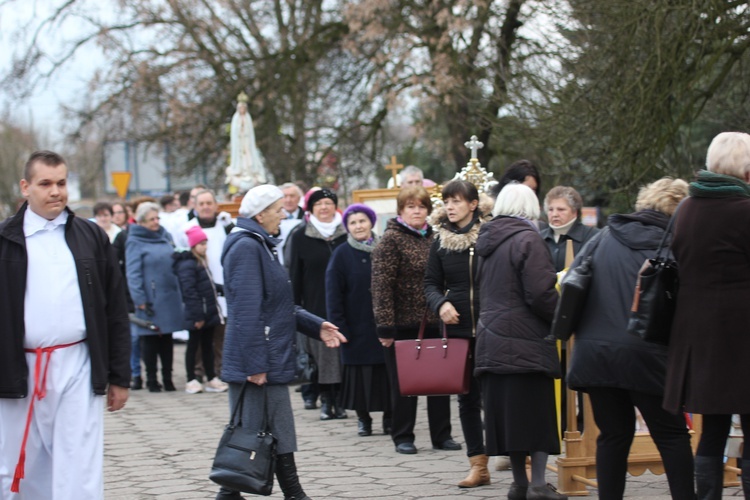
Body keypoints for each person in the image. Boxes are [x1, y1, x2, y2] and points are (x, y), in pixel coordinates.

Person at [0, 150, 130, 498]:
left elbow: (115, 309)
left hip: (78, 365)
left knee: (79, 461)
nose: (56, 191)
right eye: (45, 184)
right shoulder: (5, 240)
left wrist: (119, 375)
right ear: (26, 187)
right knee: (19, 464)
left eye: (61, 183)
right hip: (18, 369)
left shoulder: (90, 236)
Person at [218, 184, 347, 500]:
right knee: (253, 431)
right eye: (278, 210)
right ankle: (281, 493)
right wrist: (254, 364)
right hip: (258, 358)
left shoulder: (260, 243)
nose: (283, 215)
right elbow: (247, 311)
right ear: (260, 215)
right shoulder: (247, 247)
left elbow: (277, 304)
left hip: (267, 354)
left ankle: (283, 492)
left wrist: (317, 326)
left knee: (272, 428)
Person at [567, 178, 693, 499]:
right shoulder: (674, 244)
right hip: (645, 355)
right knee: (672, 436)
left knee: (612, 435)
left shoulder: (605, 235)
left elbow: (574, 282)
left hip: (595, 354)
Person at [663, 131, 750, 500]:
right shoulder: (745, 209)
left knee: (711, 429)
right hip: (743, 334)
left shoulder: (687, 208)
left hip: (698, 333)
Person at [474, 183, 565, 500]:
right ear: (530, 209)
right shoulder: (529, 238)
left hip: (492, 342)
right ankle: (539, 485)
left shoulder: (486, 241)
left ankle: (519, 484)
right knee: (537, 416)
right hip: (526, 341)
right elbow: (541, 293)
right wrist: (563, 318)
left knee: (510, 420)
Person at [372, 186, 460, 455]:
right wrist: (385, 326)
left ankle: (442, 435)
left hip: (435, 320)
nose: (417, 211)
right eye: (411, 206)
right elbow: (381, 287)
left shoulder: (436, 237)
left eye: (421, 206)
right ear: (401, 210)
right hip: (402, 325)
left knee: (439, 381)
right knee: (404, 384)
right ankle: (402, 436)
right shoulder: (390, 240)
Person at [424, 180, 494, 487]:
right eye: (446, 201)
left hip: (493, 329)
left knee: (498, 397)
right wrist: (441, 304)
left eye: (456, 201)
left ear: (473, 204)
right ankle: (478, 465)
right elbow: (429, 284)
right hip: (458, 331)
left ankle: (518, 458)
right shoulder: (440, 241)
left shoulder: (490, 235)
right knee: (466, 398)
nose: (450, 207)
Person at [325, 204, 391, 437]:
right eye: (353, 223)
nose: (358, 226)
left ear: (371, 222)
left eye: (362, 221)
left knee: (386, 375)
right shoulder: (341, 254)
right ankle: (363, 419)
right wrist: (339, 326)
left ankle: (390, 418)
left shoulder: (385, 246)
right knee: (360, 378)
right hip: (355, 326)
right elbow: (333, 294)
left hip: (384, 325)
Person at [288, 188, 348, 419]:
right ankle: (326, 400)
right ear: (310, 209)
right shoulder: (301, 236)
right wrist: (294, 309)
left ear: (335, 206)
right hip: (315, 306)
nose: (324, 208)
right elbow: (296, 274)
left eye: (328, 203)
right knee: (321, 357)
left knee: (341, 355)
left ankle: (341, 400)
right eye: (318, 204)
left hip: (344, 305)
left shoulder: (346, 233)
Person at [126, 202, 184, 392]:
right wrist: (140, 300)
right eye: (151, 219)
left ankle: (168, 377)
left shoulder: (164, 236)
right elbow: (132, 273)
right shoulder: (135, 240)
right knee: (149, 339)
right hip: (150, 298)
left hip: (169, 295)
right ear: (141, 222)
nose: (156, 222)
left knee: (167, 337)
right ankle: (152, 379)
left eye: (157, 218)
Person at [178, 190, 234, 376]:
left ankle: (220, 369)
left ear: (216, 205)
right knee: (200, 338)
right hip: (200, 290)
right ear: (195, 206)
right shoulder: (187, 228)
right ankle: (198, 371)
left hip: (222, 287)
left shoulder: (224, 226)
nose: (206, 207)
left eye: (209, 203)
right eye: (201, 203)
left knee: (221, 334)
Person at [173, 225, 228, 394]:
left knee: (207, 346)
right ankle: (192, 379)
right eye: (202, 244)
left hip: (208, 313)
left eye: (206, 243)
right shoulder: (188, 265)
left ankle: (211, 377)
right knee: (193, 346)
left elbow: (207, 287)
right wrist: (198, 316)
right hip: (198, 315)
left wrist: (224, 289)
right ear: (193, 245)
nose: (205, 247)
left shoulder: (201, 262)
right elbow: (189, 292)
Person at [225, 95, 268, 191]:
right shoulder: (236, 119)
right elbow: (235, 132)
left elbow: (250, 133)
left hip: (247, 143)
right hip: (239, 144)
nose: (242, 110)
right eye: (240, 108)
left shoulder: (248, 118)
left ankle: (250, 172)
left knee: (249, 159)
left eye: (244, 108)